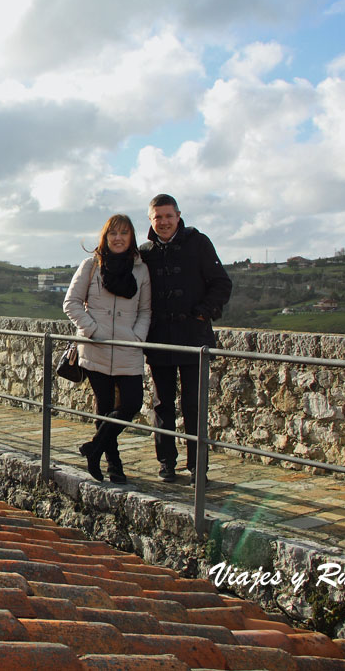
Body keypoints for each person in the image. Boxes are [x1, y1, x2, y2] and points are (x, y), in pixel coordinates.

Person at [139, 194, 232, 483]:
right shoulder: (145, 252)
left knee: (194, 405)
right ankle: (167, 463)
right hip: (159, 340)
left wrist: (202, 314)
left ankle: (198, 469)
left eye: (169, 216)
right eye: (158, 217)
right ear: (151, 220)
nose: (164, 222)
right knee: (162, 405)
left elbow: (221, 283)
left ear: (178, 216)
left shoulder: (198, 243)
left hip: (194, 338)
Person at [63, 214, 151, 484]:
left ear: (131, 237)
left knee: (132, 404)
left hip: (127, 347)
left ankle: (94, 448)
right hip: (95, 348)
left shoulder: (140, 269)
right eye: (113, 233)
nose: (118, 238)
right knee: (103, 408)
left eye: (124, 233)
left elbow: (146, 310)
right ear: (105, 236)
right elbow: (72, 303)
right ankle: (114, 465)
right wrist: (94, 331)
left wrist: (137, 337)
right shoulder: (91, 265)